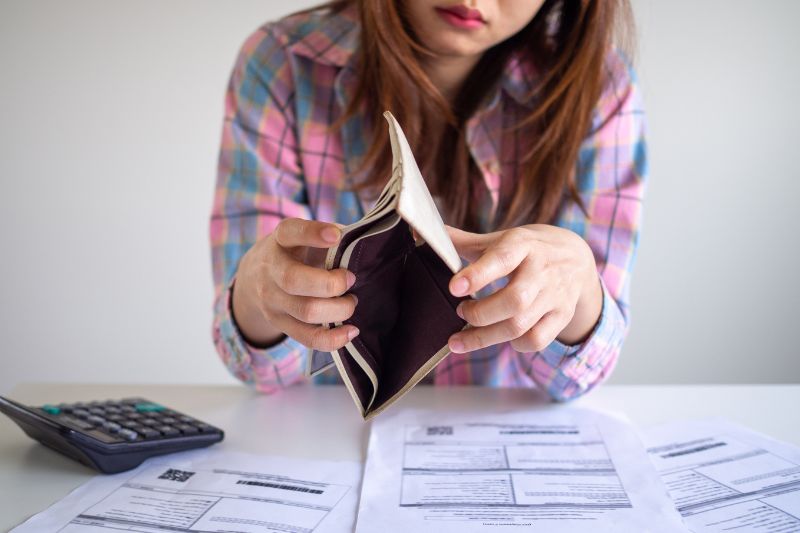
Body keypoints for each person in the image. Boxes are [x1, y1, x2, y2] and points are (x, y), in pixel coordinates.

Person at [210, 0, 646, 401]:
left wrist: (580, 289)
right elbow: (259, 370)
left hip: (497, 435)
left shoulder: (600, 89)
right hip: (330, 435)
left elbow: (576, 378)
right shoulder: (284, 62)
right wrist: (256, 293)